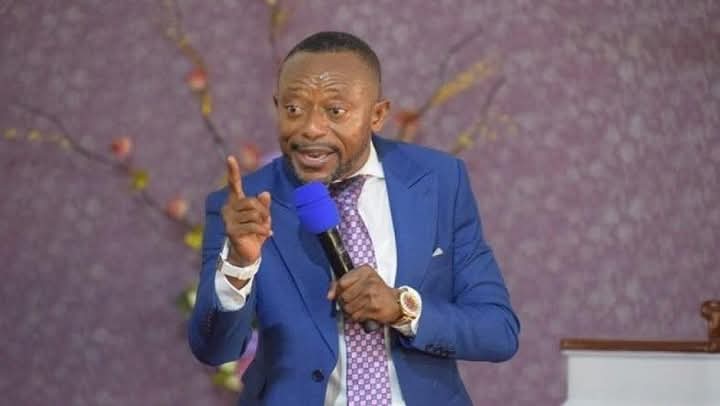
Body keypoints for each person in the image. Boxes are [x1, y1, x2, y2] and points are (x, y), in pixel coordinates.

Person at [189, 31, 520, 406]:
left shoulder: (440, 181)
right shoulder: (241, 206)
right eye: (293, 109)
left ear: (377, 115)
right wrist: (238, 265)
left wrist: (402, 308)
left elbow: (499, 331)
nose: (310, 128)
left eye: (335, 111)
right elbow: (212, 350)